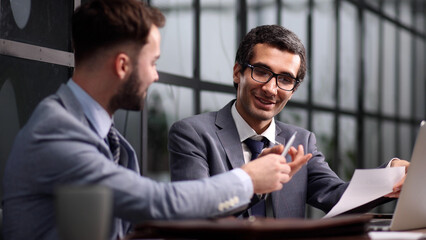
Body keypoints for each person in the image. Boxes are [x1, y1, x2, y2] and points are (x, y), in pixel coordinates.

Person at [2, 2, 309, 240]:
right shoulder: (58, 132)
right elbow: (154, 202)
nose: (156, 75)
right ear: (123, 66)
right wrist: (249, 179)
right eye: (152, 62)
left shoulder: (92, 130)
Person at [169, 25, 409, 218]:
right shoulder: (193, 133)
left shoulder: (302, 141)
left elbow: (337, 197)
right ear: (237, 72)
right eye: (261, 72)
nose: (271, 89)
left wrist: (390, 175)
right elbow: (193, 211)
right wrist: (253, 183)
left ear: (293, 89)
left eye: (285, 79)